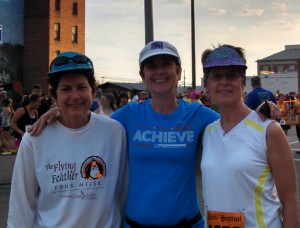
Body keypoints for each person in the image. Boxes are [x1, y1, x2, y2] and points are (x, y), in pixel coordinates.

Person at [29, 41, 280, 227]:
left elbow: (236, 123)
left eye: (166, 64)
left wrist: (263, 110)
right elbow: (89, 126)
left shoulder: (200, 116)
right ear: (143, 76)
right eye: (152, 66)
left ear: (179, 71)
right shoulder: (127, 116)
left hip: (188, 223)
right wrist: (56, 113)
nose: (159, 71)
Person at [7, 51, 128, 227]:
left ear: (93, 91)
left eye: (81, 87)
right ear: (54, 96)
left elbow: (122, 193)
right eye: (65, 89)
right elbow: (21, 205)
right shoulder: (34, 139)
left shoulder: (115, 132)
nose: (75, 96)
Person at [200, 44, 299, 227]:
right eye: (216, 76)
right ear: (206, 85)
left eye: (231, 75)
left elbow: (290, 202)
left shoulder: (268, 130)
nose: (224, 82)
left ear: (242, 82)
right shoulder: (208, 132)